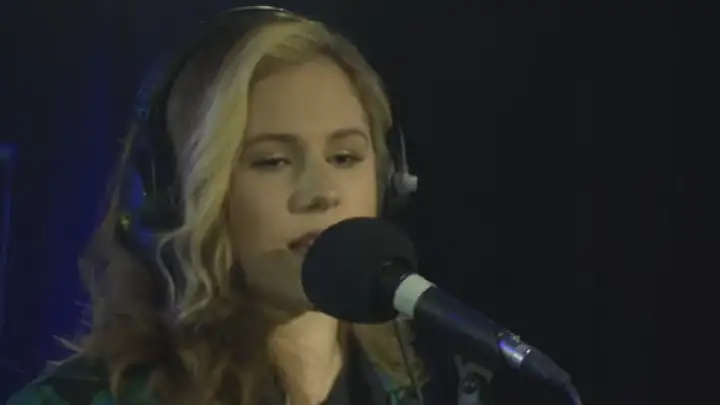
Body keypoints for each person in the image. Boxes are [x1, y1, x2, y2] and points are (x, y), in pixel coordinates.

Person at [5, 6, 493, 405]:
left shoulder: (413, 391)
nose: (322, 192)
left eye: (344, 157)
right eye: (273, 161)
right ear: (181, 193)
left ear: (388, 180)